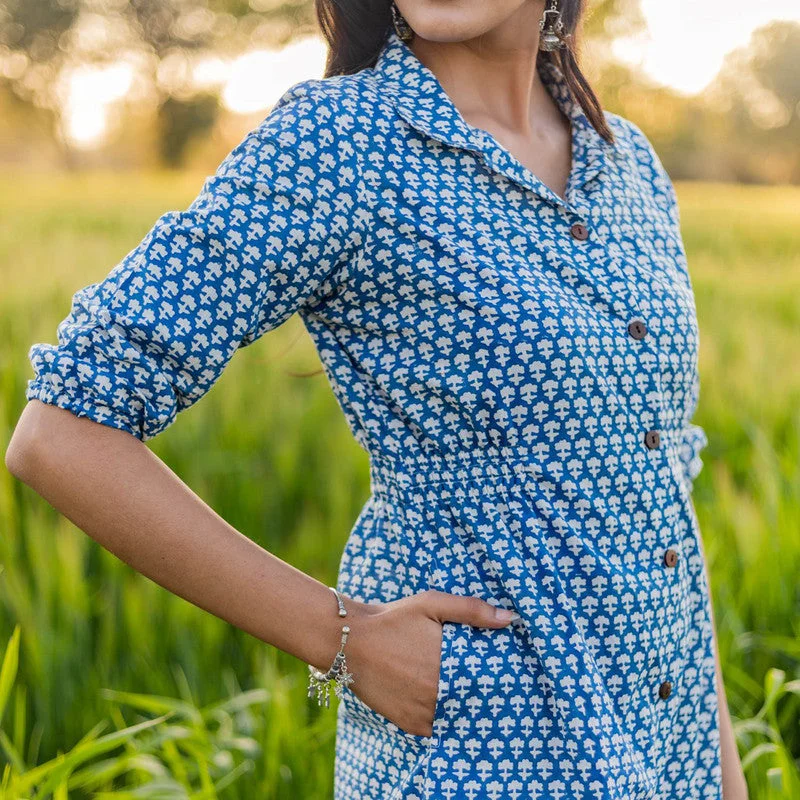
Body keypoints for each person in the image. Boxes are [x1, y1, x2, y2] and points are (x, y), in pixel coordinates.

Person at [5, 1, 749, 798]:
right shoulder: (339, 144)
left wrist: (719, 775)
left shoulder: (627, 163)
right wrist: (342, 638)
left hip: (666, 755)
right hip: (483, 758)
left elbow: (662, 487)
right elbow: (62, 431)